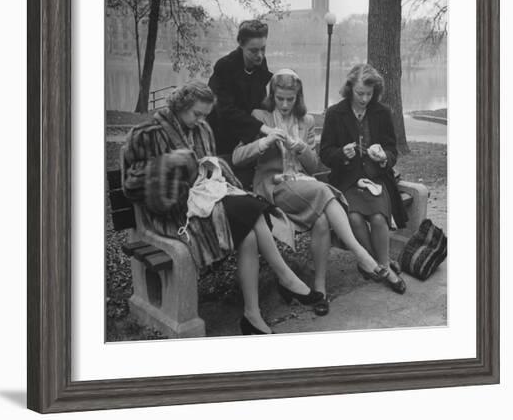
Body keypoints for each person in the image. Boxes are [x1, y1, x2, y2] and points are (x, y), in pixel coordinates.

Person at [122, 81, 323, 336]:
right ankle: (285, 276)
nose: (201, 120)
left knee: (249, 233)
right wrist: (170, 163)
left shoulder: (203, 129)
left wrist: (210, 170)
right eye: (197, 113)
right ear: (181, 106)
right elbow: (131, 185)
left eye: (205, 115)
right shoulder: (148, 134)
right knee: (251, 208)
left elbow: (209, 167)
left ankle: (252, 314)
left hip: (206, 201)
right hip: (174, 214)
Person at [232, 69, 386, 316]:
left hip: (303, 187)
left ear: (298, 97)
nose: (284, 104)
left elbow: (314, 166)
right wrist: (265, 141)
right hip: (273, 186)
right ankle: (361, 253)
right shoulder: (260, 117)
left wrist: (302, 148)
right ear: (272, 95)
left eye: (289, 99)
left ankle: (319, 288)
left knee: (323, 220)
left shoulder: (306, 122)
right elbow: (238, 157)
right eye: (279, 98)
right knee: (323, 191)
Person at [319, 63, 407, 294]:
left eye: (369, 94)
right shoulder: (335, 113)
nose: (364, 99)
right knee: (355, 219)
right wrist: (341, 154)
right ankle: (378, 265)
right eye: (360, 93)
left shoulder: (382, 112)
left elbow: (392, 150)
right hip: (346, 180)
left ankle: (383, 266)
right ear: (350, 88)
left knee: (378, 218)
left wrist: (383, 157)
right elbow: (325, 153)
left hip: (376, 178)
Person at [207, 20, 283, 187]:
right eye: (253, 50)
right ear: (241, 45)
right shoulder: (225, 66)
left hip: (247, 137)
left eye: (263, 49)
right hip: (222, 137)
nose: (260, 55)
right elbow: (226, 111)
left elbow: (261, 99)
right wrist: (262, 128)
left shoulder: (260, 62)